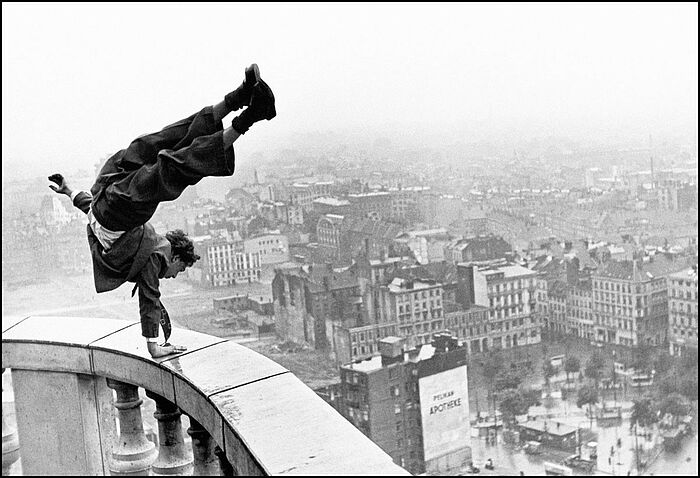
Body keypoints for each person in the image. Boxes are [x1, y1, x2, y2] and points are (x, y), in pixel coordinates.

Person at [48, 64, 276, 358]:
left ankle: (245, 104)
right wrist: (154, 345)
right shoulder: (157, 255)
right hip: (112, 201)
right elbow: (150, 297)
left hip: (105, 191)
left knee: (160, 145)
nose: (173, 275)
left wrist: (68, 191)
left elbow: (91, 213)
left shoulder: (148, 247)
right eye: (179, 270)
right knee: (170, 162)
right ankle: (248, 110)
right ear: (175, 255)